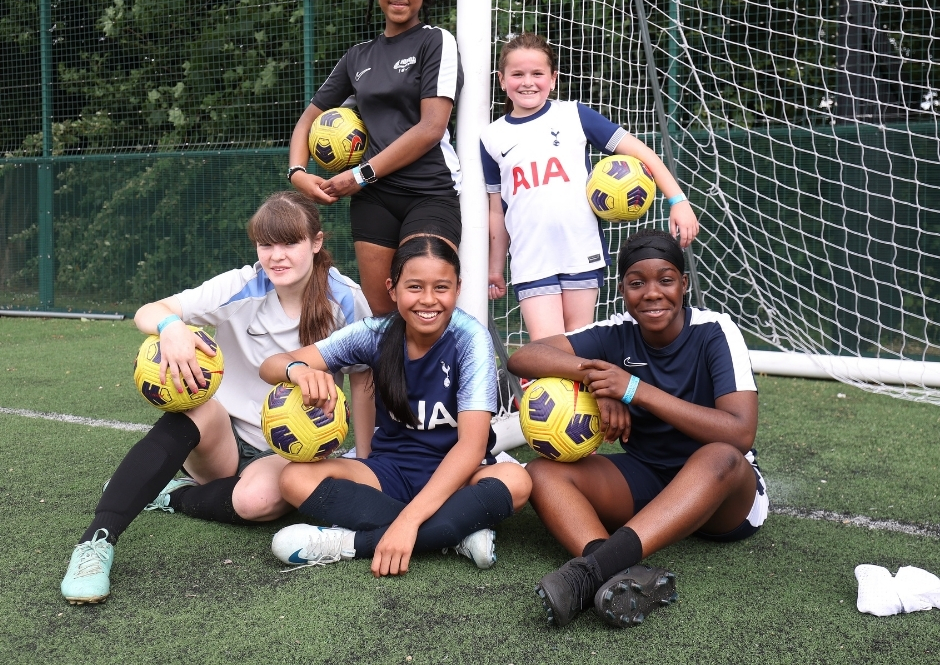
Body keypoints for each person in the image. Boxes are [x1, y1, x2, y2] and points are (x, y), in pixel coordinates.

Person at [60, 191, 373, 604]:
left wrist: (364, 458)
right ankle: (95, 543)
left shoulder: (346, 298)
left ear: (316, 242)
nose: (276, 256)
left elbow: (363, 378)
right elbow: (148, 311)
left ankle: (172, 495)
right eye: (266, 244)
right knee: (191, 407)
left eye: (290, 243)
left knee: (255, 501)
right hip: (221, 438)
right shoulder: (240, 285)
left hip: (290, 450)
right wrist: (171, 326)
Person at [506, 229, 767, 628]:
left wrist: (633, 390)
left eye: (666, 280)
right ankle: (620, 576)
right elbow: (525, 357)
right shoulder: (617, 332)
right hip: (648, 478)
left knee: (721, 455)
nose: (652, 293)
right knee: (543, 472)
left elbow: (740, 433)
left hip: (724, 498)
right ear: (623, 290)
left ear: (684, 284)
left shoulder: (715, 330)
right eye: (637, 283)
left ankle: (588, 574)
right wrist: (595, 380)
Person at [259, 235, 531, 576]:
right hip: (389, 472)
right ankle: (453, 532)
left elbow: (471, 447)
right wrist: (297, 371)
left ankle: (351, 543)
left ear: (458, 289)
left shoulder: (470, 338)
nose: (428, 300)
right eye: (414, 287)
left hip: (458, 477)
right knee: (294, 479)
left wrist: (409, 521)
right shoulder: (375, 333)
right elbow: (270, 365)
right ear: (393, 289)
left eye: (441, 287)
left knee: (516, 481)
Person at [288, 0, 463, 316]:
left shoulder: (436, 42)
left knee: (425, 308)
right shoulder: (358, 57)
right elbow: (306, 122)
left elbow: (431, 128)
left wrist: (360, 175)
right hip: (373, 200)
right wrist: (298, 173)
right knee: (384, 318)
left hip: (429, 192)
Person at [480, 32, 700, 340]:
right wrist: (494, 267)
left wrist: (678, 201)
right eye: (517, 74)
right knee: (549, 350)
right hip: (530, 259)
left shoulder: (574, 115)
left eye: (537, 73)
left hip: (580, 251)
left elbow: (642, 153)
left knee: (580, 346)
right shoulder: (491, 137)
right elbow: (497, 210)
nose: (527, 82)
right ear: (502, 81)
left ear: (553, 79)